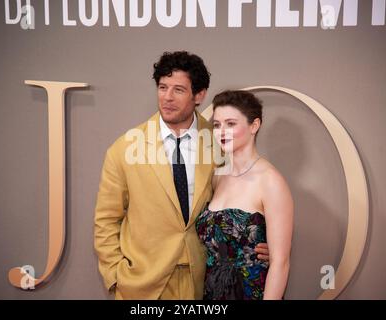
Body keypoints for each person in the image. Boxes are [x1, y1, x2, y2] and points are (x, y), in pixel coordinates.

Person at [94, 51, 269, 300]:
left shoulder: (221, 142)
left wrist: (258, 245)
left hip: (205, 280)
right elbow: (106, 220)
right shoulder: (124, 148)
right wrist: (116, 276)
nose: (167, 97)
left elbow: (248, 193)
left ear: (199, 95)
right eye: (162, 87)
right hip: (143, 284)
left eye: (178, 90)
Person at [196, 90, 293, 300]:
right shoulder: (216, 176)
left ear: (254, 126)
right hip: (212, 293)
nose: (222, 131)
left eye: (230, 124)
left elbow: (280, 262)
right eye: (217, 125)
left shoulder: (270, 181)